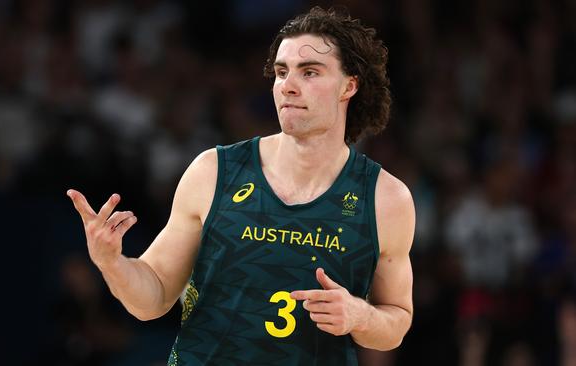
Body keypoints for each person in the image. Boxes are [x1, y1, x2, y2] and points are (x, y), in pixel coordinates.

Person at [67, 6, 415, 365]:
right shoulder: (215, 171)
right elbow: (153, 297)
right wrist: (112, 263)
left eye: (310, 72)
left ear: (349, 85)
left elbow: (397, 321)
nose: (289, 86)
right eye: (281, 72)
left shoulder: (386, 198)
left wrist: (360, 316)